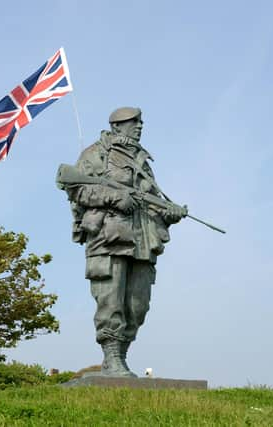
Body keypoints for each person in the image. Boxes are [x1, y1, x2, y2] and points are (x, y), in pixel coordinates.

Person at [58, 107, 187, 377]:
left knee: (138, 305)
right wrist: (115, 197)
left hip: (142, 240)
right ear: (117, 126)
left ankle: (120, 358)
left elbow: (150, 202)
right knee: (111, 299)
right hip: (110, 238)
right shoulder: (95, 154)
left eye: (140, 123)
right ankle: (112, 357)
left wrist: (170, 212)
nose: (139, 127)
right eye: (133, 122)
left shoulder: (142, 160)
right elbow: (77, 189)